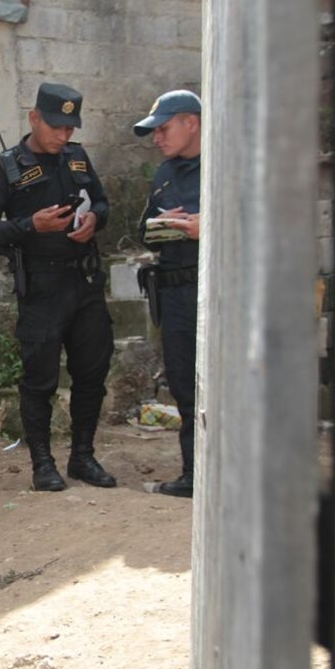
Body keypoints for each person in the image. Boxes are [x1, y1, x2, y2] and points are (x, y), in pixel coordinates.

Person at [0, 82, 117, 492]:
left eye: (70, 128)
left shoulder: (77, 157)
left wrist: (96, 220)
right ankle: (42, 463)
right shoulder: (6, 166)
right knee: (40, 379)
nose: (63, 135)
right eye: (55, 126)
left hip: (85, 280)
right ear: (34, 118)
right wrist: (29, 226)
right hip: (41, 286)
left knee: (92, 372)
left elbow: (102, 202)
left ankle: (83, 457)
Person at [134, 90, 202, 498]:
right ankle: (195, 475)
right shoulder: (163, 175)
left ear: (190, 122)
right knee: (184, 385)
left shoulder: (227, 165)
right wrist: (163, 225)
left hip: (218, 294)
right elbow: (144, 229)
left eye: (163, 128)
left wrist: (206, 226)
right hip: (175, 297)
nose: (157, 138)